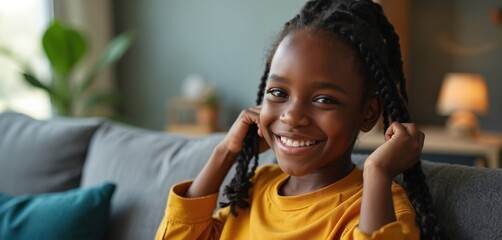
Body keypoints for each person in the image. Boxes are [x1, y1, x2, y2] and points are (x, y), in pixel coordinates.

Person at [156, 0, 444, 239]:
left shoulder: (378, 205)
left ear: (368, 113)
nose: (292, 116)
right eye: (278, 92)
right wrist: (224, 152)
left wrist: (377, 172)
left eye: (324, 100)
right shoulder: (256, 186)